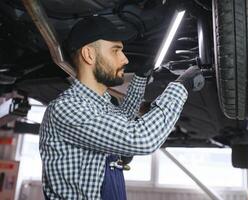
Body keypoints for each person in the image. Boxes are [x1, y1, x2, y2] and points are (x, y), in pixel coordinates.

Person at [39, 15, 205, 200]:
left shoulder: (98, 105)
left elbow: (122, 118)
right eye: (115, 50)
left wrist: (141, 78)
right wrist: (181, 86)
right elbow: (141, 138)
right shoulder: (66, 108)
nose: (125, 59)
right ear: (89, 54)